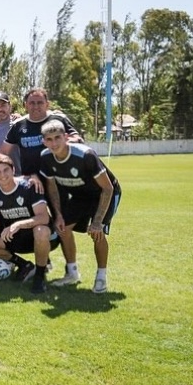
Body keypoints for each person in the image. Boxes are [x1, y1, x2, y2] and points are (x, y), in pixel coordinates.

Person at [39, 119, 122, 293]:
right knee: (62, 229)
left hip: (104, 193)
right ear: (43, 141)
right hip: (80, 195)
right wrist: (59, 215)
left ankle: (101, 277)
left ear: (66, 137)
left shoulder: (85, 155)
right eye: (49, 139)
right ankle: (72, 274)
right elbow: (52, 187)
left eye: (57, 138)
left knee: (96, 233)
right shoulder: (46, 157)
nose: (54, 143)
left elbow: (107, 188)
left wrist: (97, 221)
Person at [0, 154, 53, 294]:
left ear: (13, 170)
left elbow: (44, 217)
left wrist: (18, 224)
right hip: (16, 238)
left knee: (41, 231)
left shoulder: (30, 186)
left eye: (6, 170)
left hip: (42, 236)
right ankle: (24, 265)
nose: (2, 175)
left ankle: (39, 277)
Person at [0, 87, 81, 179]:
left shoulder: (59, 119)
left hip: (61, 178)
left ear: (47, 104)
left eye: (40, 102)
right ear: (25, 105)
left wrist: (62, 143)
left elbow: (78, 140)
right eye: (32, 103)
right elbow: (3, 152)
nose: (36, 106)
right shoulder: (18, 125)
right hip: (32, 181)